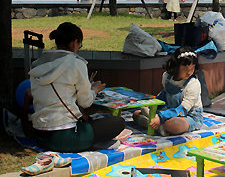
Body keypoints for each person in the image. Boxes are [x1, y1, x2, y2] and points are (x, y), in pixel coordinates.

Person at [29, 22, 125, 153]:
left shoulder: (37, 64)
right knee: (118, 122)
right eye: (80, 44)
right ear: (75, 42)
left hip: (40, 135)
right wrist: (95, 89)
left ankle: (92, 143)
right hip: (66, 137)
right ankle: (90, 145)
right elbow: (85, 102)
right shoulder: (76, 63)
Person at [133, 47, 203, 135]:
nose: (189, 72)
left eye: (192, 69)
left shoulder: (193, 84)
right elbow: (164, 95)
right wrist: (152, 107)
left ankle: (157, 124)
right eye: (185, 69)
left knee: (172, 125)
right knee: (136, 114)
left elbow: (183, 109)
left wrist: (162, 116)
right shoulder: (167, 77)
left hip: (189, 115)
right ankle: (157, 125)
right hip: (171, 111)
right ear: (176, 66)